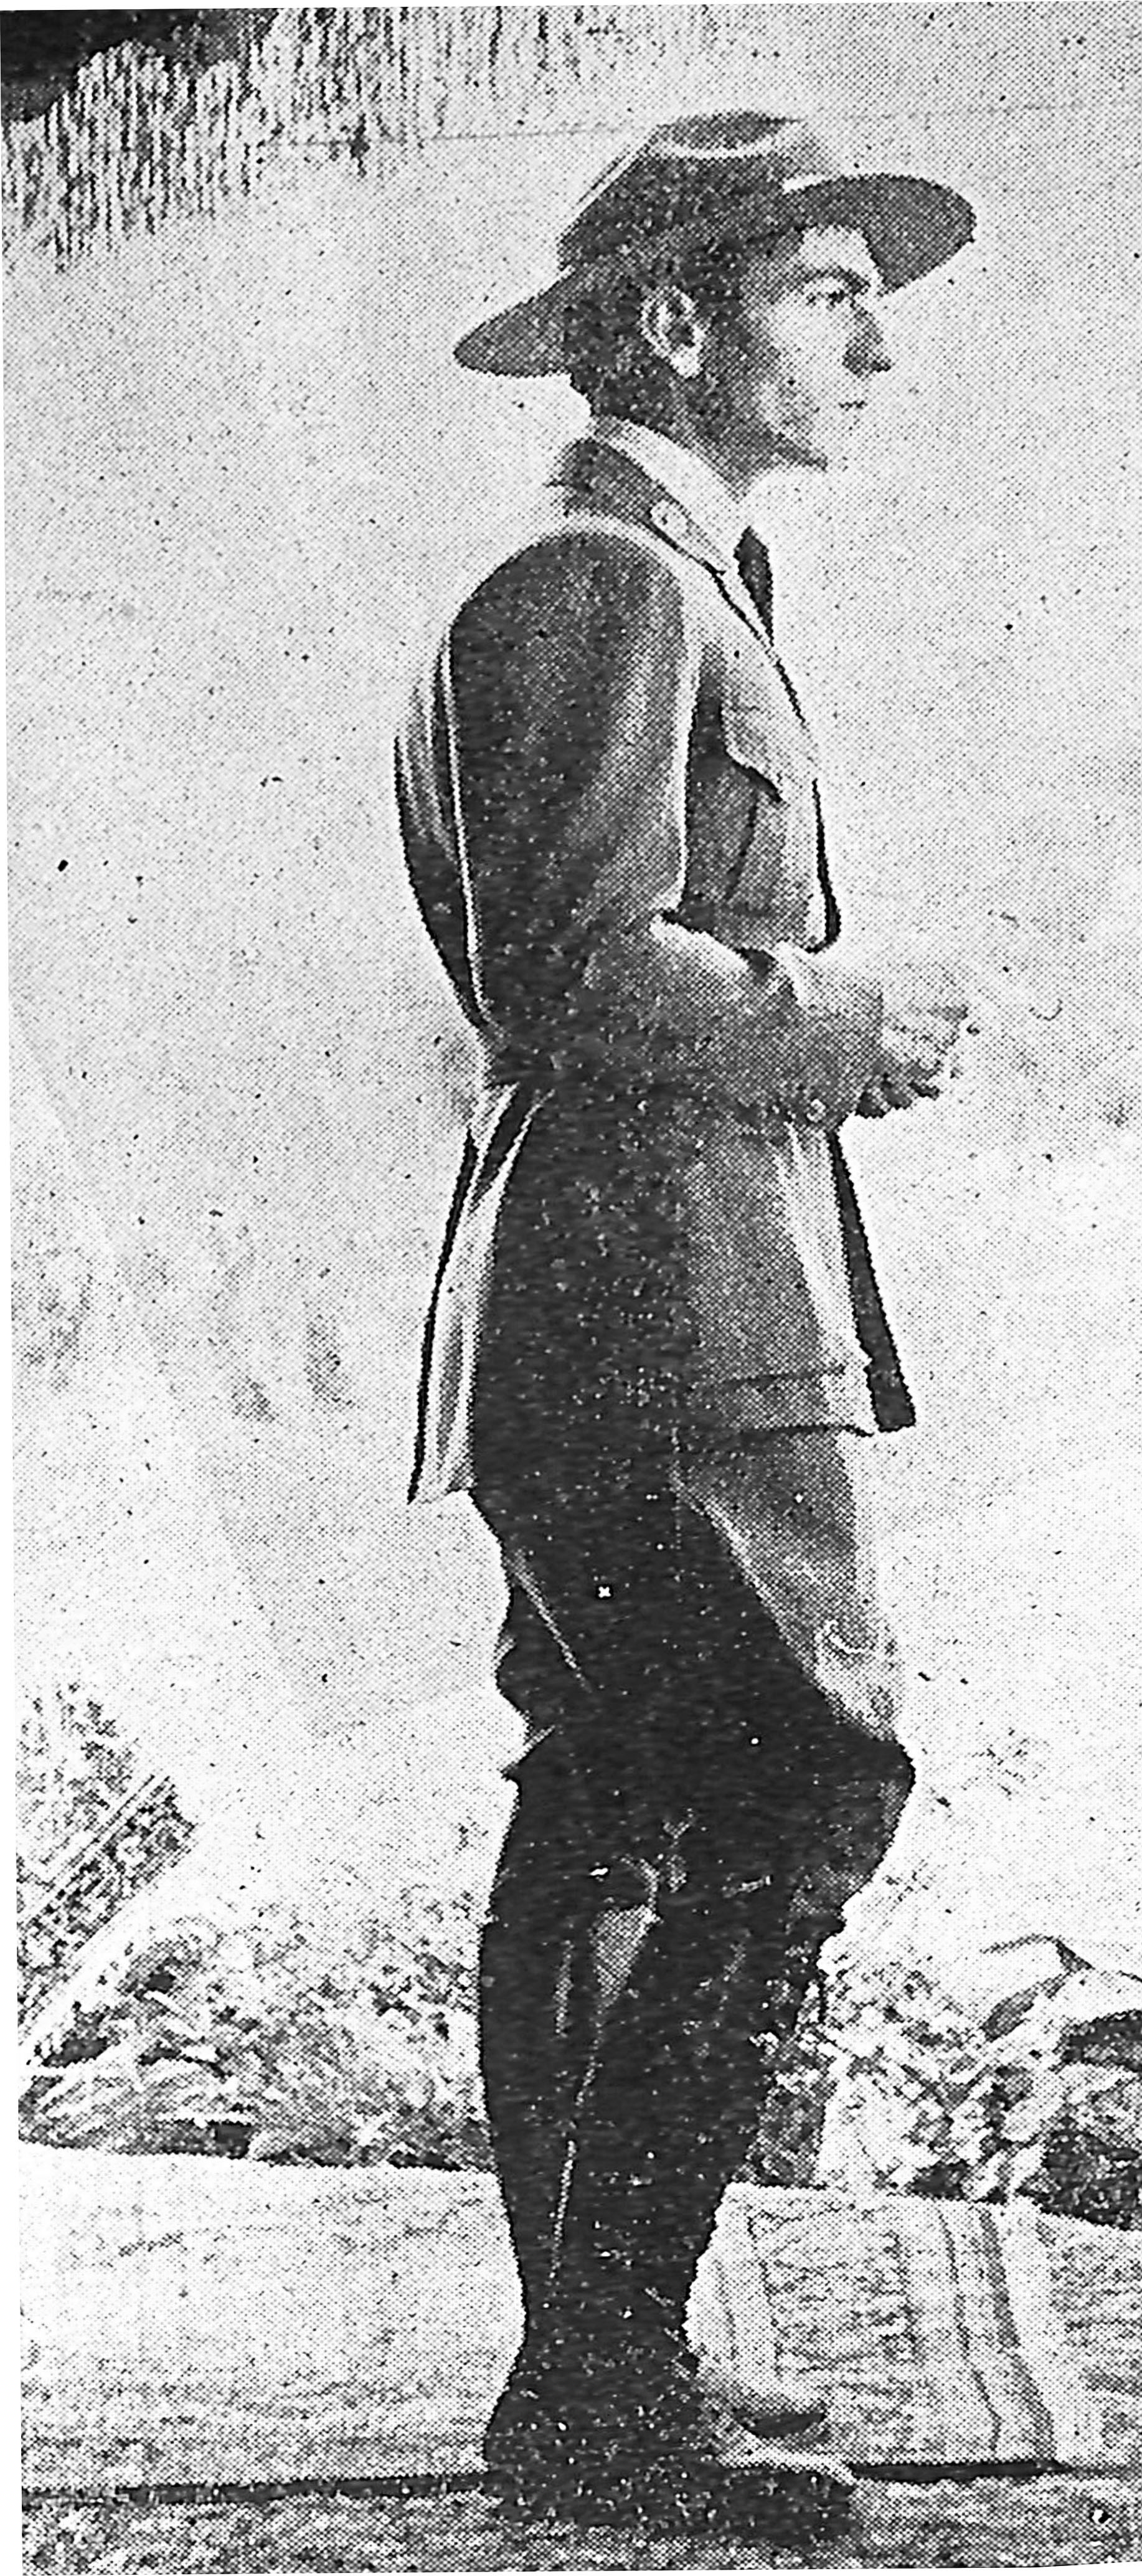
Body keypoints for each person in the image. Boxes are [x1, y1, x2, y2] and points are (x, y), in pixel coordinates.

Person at [394, 108, 973, 2528]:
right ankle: (603, 2381)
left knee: (621, 1787)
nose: (871, 345)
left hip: (646, 1288)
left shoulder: (655, 576)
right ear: (670, 322)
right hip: (659, 1302)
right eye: (825, 292)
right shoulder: (603, 586)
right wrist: (848, 1018)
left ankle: (594, 2362)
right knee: (797, 1779)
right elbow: (572, 965)